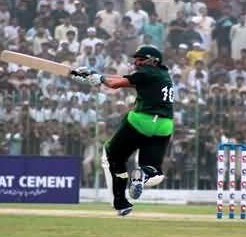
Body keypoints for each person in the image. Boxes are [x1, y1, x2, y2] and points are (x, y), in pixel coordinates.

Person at [71, 46, 174, 216]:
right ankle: (142, 175)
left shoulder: (146, 72)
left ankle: (121, 202)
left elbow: (113, 84)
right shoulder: (162, 75)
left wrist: (100, 78)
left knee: (114, 155)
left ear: (153, 61)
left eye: (141, 59)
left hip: (142, 121)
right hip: (165, 126)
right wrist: (95, 75)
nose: (137, 62)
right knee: (152, 168)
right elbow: (125, 79)